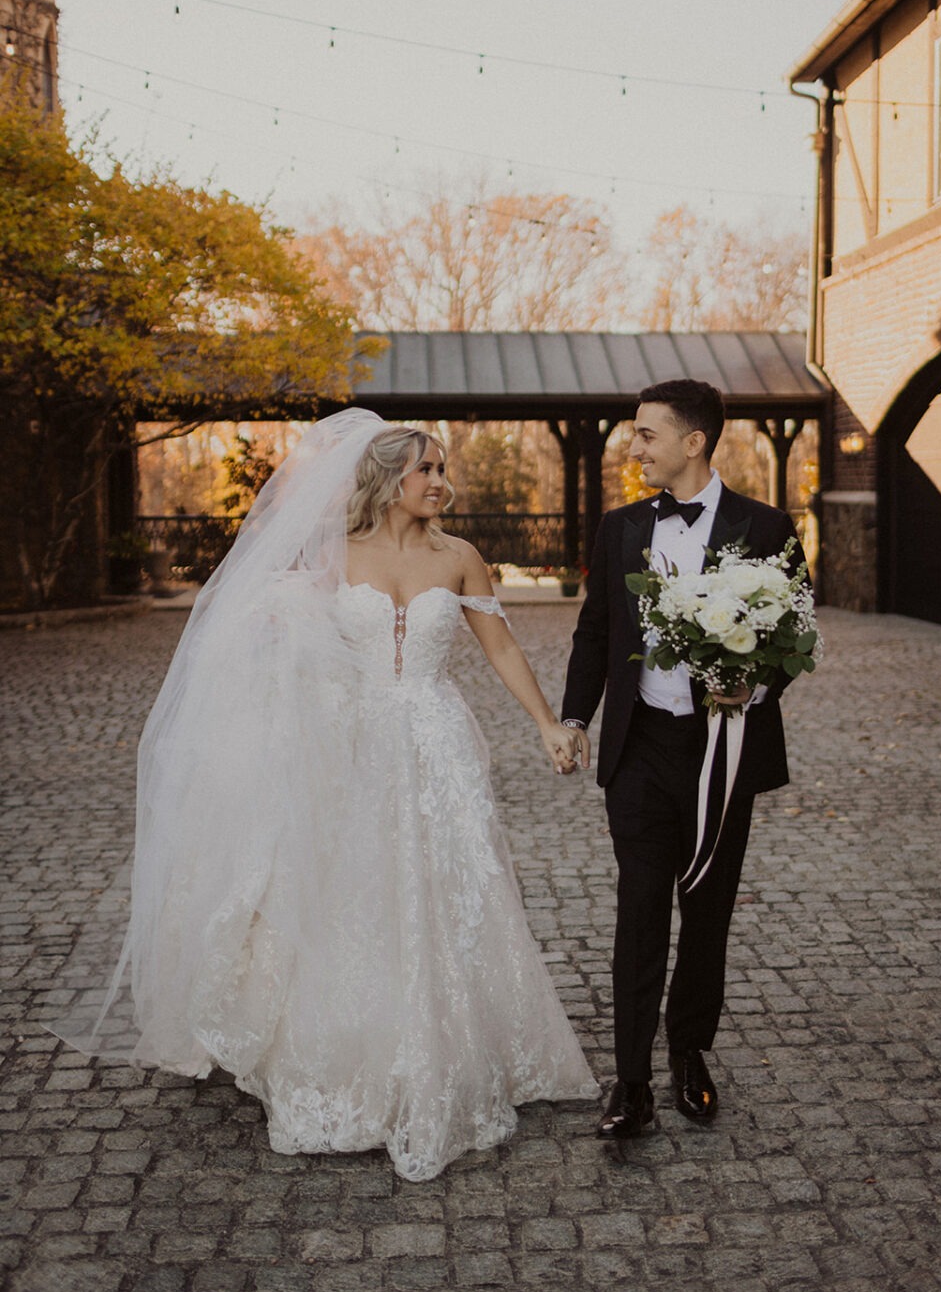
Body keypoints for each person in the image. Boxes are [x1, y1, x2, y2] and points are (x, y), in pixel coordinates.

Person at [52, 409, 596, 1182]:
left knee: (456, 885)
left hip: (439, 739)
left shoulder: (462, 558)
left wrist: (546, 722)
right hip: (353, 744)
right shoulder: (329, 558)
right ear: (387, 480)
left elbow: (500, 644)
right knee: (357, 893)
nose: (442, 483)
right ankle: (350, 1050)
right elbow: (265, 642)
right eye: (428, 470)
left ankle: (461, 1046)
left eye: (444, 469)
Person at [559, 379, 808, 1139]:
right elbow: (595, 630)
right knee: (639, 912)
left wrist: (754, 685)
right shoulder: (621, 527)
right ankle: (630, 1080)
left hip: (722, 754)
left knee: (708, 911)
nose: (633, 448)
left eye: (645, 435)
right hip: (641, 749)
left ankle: (689, 1053)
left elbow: (795, 635)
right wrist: (576, 716)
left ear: (692, 442)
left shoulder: (766, 527)